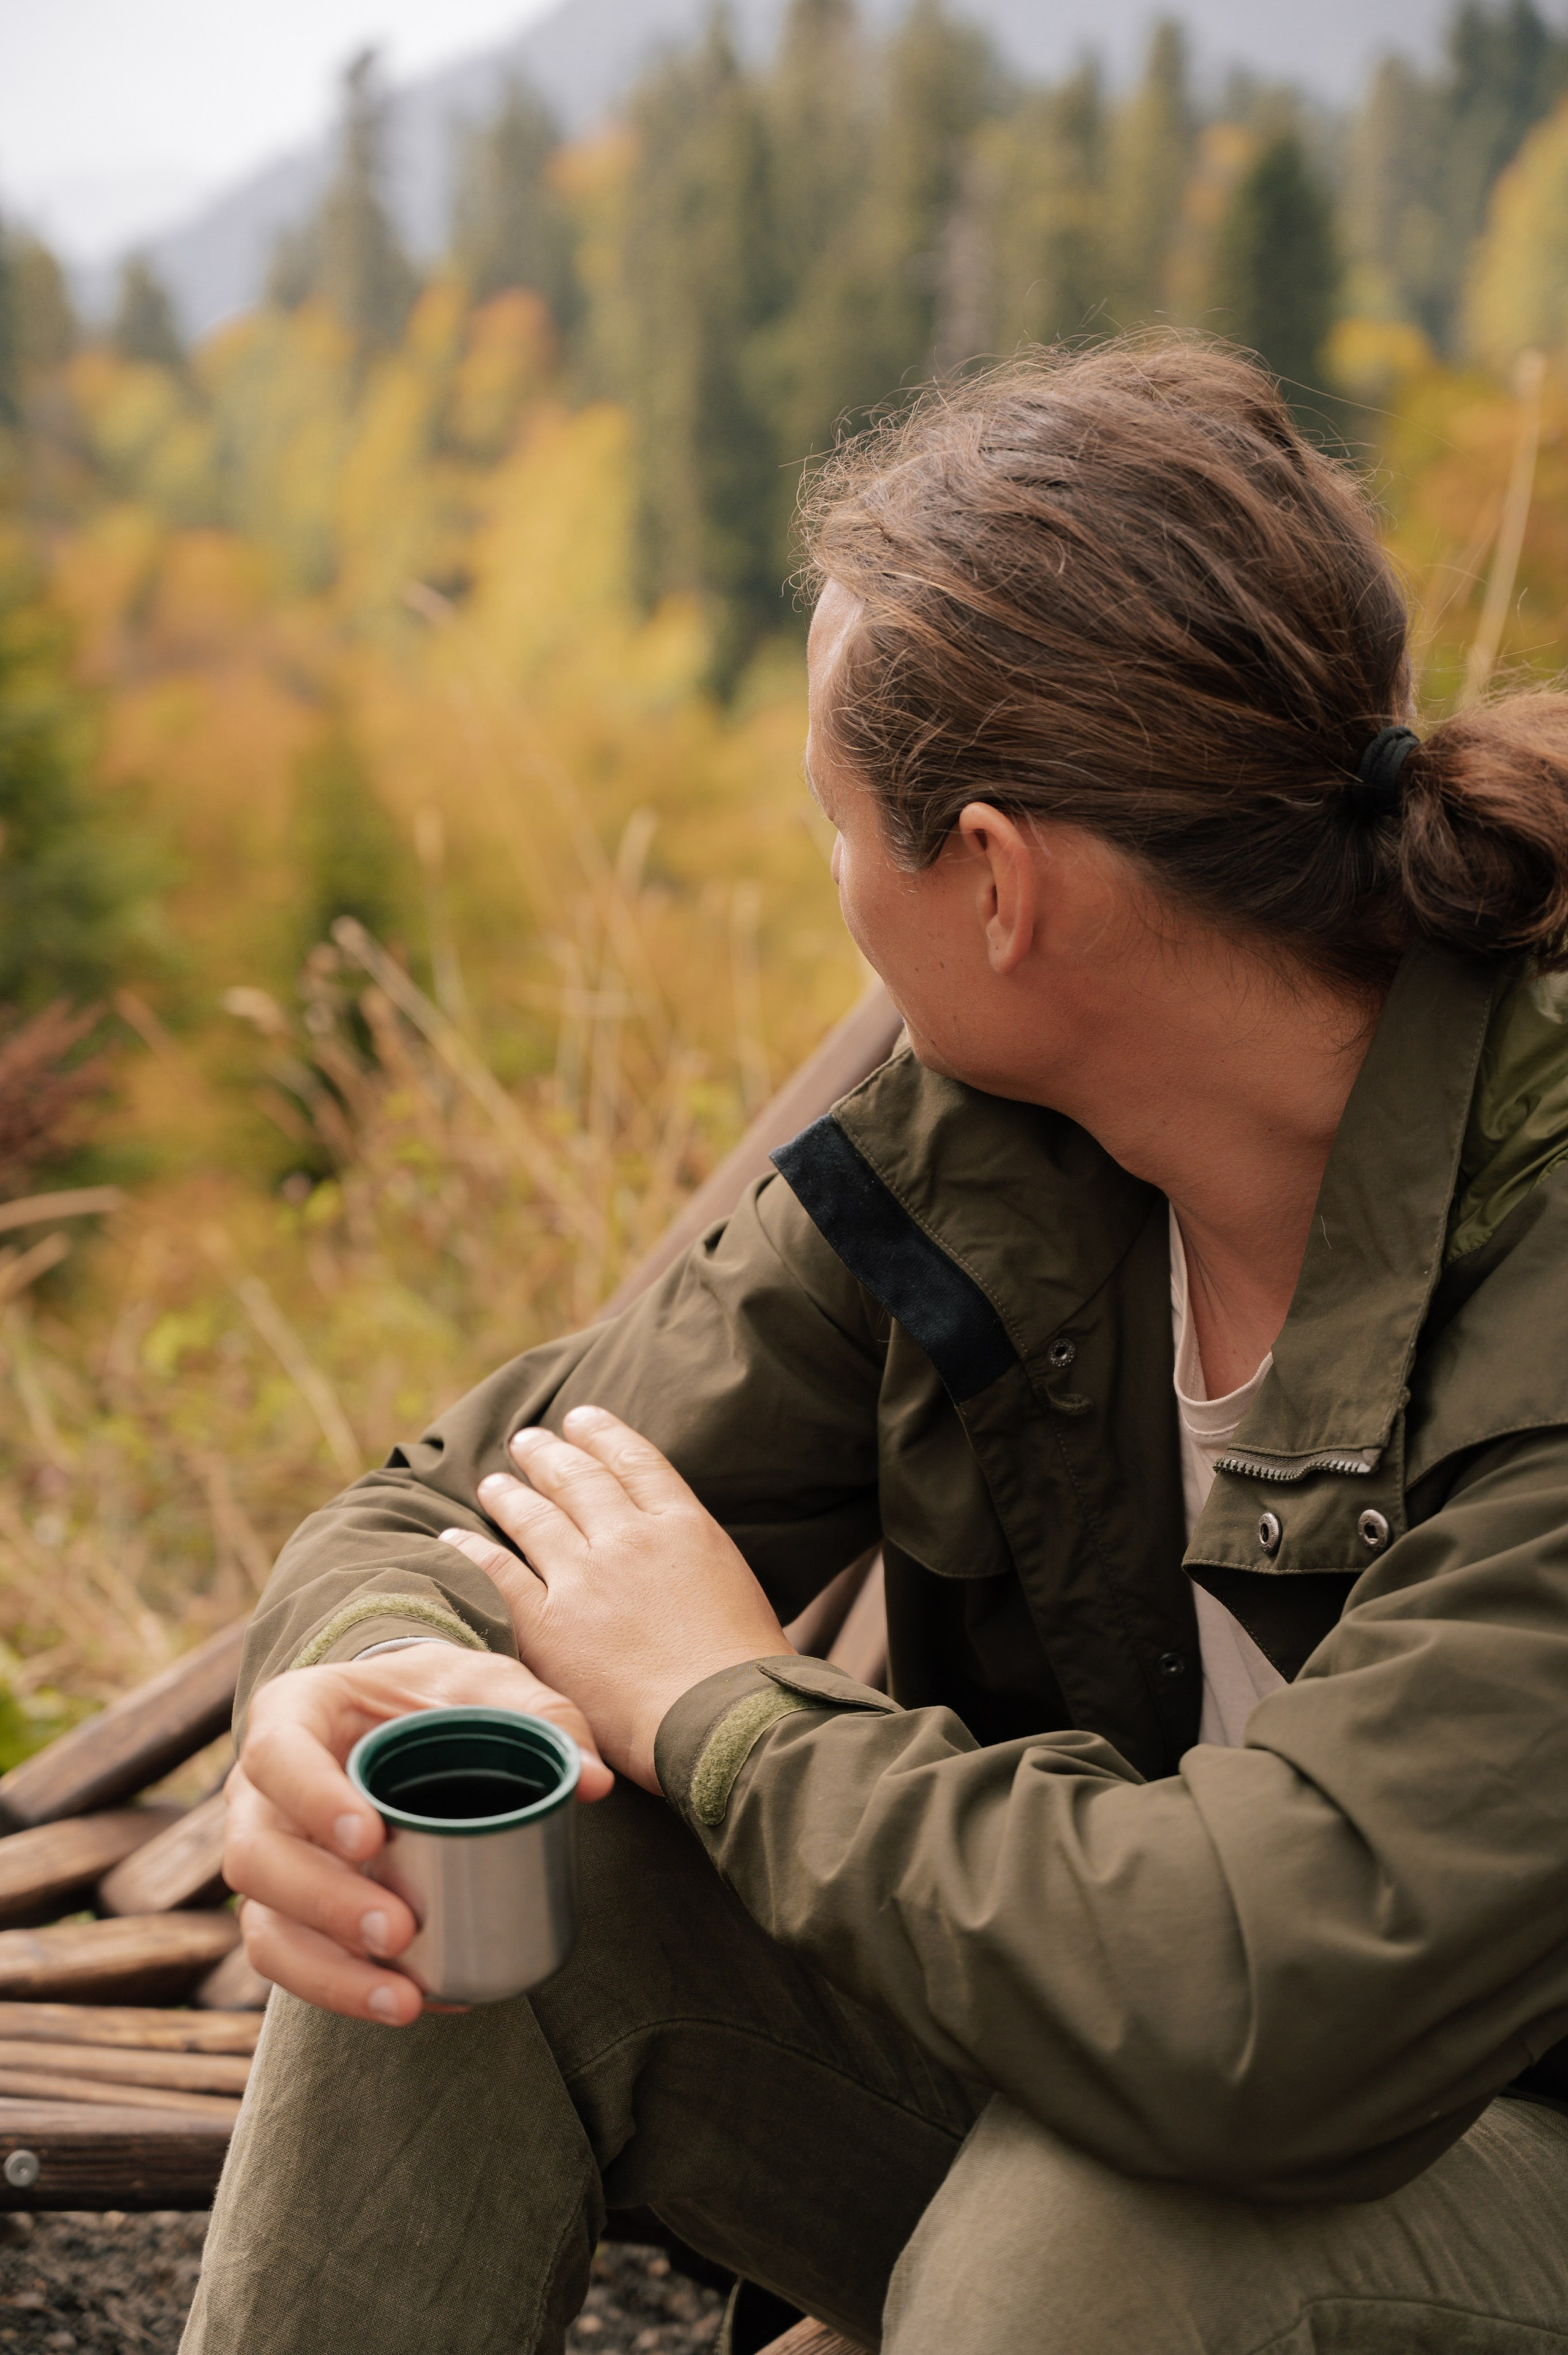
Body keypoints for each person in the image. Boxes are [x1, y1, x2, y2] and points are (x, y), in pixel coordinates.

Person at [183, 339, 1568, 2355]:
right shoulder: (988, 1153)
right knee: (456, 1851)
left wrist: (733, 1713)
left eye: (838, 821)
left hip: (1447, 2165)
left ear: (998, 882)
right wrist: (350, 1696)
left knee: (1097, 2234)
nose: (838, 884)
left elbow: (1267, 2000)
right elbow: (464, 1507)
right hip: (1143, 2106)